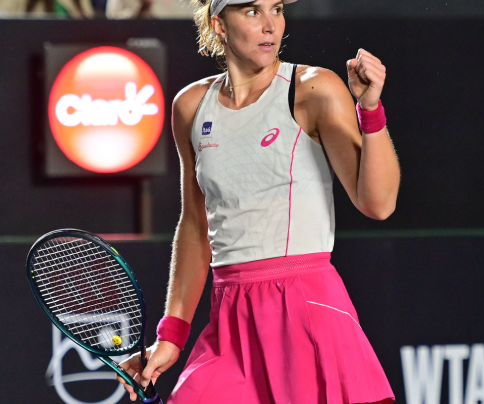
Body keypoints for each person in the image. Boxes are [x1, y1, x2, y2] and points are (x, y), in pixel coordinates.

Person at [117, 0, 400, 402]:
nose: (270, 25)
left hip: (306, 308)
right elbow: (195, 226)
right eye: (252, 11)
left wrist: (369, 110)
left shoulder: (314, 88)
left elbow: (379, 203)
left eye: (277, 9)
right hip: (229, 318)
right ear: (219, 24)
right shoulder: (191, 106)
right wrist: (172, 336)